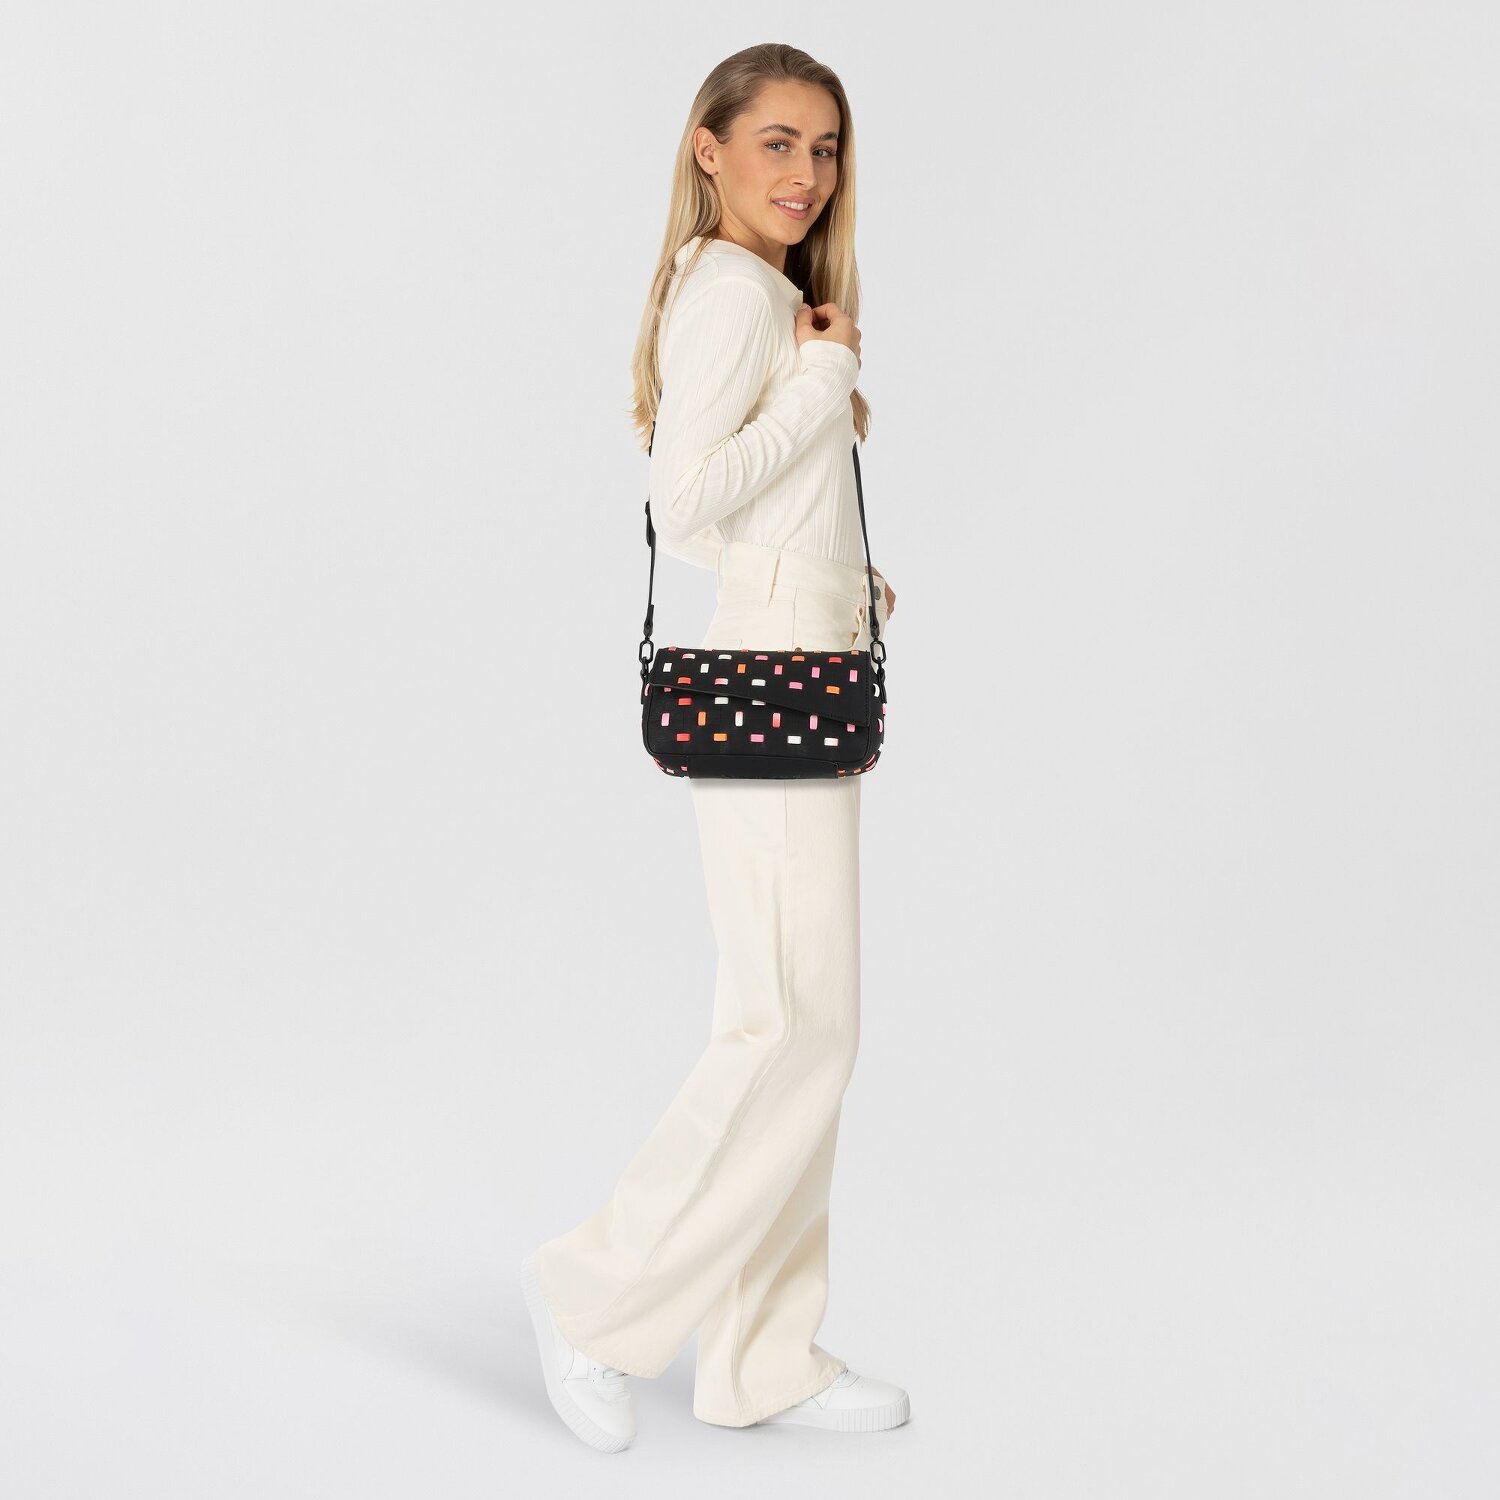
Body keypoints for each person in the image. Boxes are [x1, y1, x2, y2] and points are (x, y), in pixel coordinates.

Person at [520, 42, 907, 1452]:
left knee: (803, 1026)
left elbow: (749, 509)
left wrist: (842, 573)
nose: (805, 175)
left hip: (805, 655)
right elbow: (685, 502)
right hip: (776, 674)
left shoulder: (760, 292)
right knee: (789, 1026)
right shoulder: (740, 296)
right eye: (776, 144)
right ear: (710, 148)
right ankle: (593, 1299)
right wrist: (824, 383)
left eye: (825, 149)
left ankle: (762, 1357)